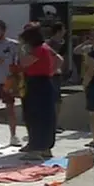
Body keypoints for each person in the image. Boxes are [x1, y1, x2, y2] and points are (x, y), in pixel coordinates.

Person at [19, 24, 63, 161]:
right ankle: (45, 147)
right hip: (42, 82)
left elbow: (24, 63)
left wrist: (21, 49)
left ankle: (37, 148)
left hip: (37, 83)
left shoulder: (38, 50)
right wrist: (50, 72)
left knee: (36, 116)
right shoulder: (45, 48)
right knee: (45, 116)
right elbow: (58, 59)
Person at [47, 22, 66, 133]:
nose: (65, 32)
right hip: (51, 74)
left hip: (58, 74)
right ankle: (51, 124)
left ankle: (55, 123)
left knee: (58, 100)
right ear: (58, 31)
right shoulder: (49, 43)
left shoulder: (62, 42)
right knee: (52, 100)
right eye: (63, 30)